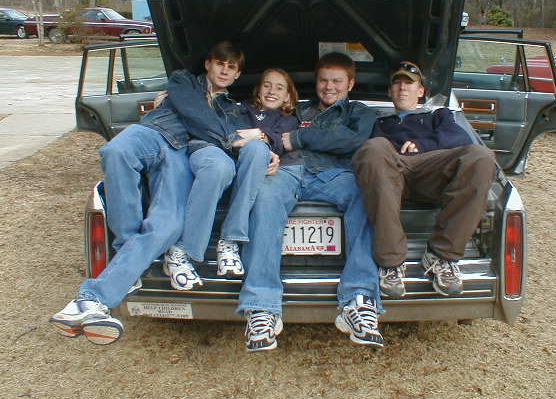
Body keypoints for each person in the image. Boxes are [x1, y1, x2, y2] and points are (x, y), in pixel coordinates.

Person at [49, 41, 245, 344]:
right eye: (220, 63)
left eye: (231, 67)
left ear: (236, 75)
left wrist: (226, 135)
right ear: (208, 63)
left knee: (167, 225)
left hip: (181, 154)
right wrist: (226, 135)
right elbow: (198, 116)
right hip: (154, 133)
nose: (224, 70)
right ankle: (127, 247)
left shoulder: (233, 108)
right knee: (115, 151)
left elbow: (221, 139)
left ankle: (93, 298)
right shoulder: (182, 81)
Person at [237, 52, 384, 352]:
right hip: (290, 171)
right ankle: (262, 306)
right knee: (264, 197)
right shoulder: (298, 110)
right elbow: (260, 124)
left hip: (334, 174)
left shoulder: (360, 112)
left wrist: (300, 138)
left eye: (337, 81)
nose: (329, 87)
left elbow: (353, 141)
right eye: (323, 80)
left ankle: (359, 300)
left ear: (351, 84)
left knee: (366, 195)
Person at [352, 61, 495, 298]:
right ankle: (390, 262)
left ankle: (441, 257)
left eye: (408, 83)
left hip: (431, 170)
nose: (402, 88)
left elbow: (458, 138)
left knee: (481, 155)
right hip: (390, 174)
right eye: (396, 83)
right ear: (389, 92)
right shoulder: (378, 122)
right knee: (374, 146)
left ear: (420, 91)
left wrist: (423, 145)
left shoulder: (437, 115)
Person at [166, 68, 299, 286]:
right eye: (266, 85)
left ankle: (229, 240)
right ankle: (186, 251)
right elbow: (218, 129)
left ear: (288, 96)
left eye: (279, 87)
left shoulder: (288, 120)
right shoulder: (237, 109)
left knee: (257, 148)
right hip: (226, 163)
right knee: (247, 151)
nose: (272, 91)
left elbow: (277, 141)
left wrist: (258, 139)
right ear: (258, 90)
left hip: (252, 169)